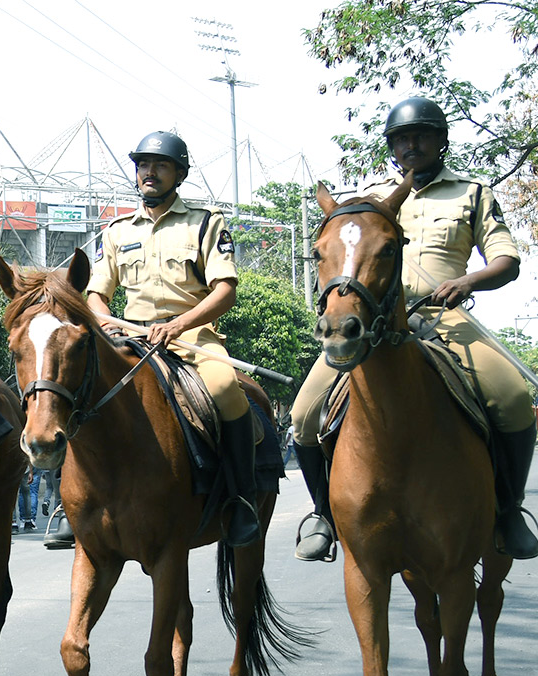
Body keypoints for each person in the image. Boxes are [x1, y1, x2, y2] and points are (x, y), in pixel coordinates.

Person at [290, 96, 536, 561]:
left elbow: (507, 261)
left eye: (421, 136)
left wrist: (467, 281)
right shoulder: (372, 199)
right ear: (391, 147)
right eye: (401, 138)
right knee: (303, 414)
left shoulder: (472, 192)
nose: (411, 145)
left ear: (441, 142)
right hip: (378, 323)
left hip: (447, 317)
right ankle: (323, 513)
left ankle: (508, 511)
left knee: (512, 397)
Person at [84, 131, 259, 547]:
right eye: (143, 164)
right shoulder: (116, 230)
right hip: (131, 336)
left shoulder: (205, 222)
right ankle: (73, 501)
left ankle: (240, 500)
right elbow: (95, 294)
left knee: (225, 388)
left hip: (192, 336)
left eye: (160, 165)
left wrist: (179, 326)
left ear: (178, 174)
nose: (149, 172)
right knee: (76, 385)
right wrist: (107, 321)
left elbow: (224, 290)